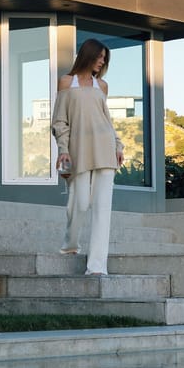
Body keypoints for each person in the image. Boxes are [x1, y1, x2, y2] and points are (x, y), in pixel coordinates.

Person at [50, 38, 124, 275]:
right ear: (88, 55)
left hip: (105, 149)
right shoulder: (65, 82)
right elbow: (60, 121)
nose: (102, 61)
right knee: (79, 202)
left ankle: (97, 267)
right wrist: (63, 149)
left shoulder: (101, 86)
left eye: (104, 58)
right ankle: (70, 244)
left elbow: (107, 121)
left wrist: (118, 146)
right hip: (79, 151)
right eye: (100, 56)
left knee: (103, 209)